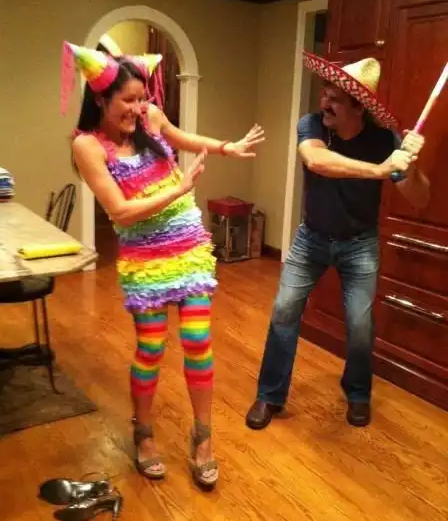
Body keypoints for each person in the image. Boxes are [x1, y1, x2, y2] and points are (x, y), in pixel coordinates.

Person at [62, 42, 265, 488]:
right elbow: (120, 212)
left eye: (142, 98)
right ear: (100, 99)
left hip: (189, 249)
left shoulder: (150, 118)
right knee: (151, 348)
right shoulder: (87, 146)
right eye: (128, 100)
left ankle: (203, 437)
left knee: (197, 341)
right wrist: (178, 189)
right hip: (146, 261)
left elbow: (184, 139)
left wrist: (226, 147)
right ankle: (145, 432)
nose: (139, 108)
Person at [246, 52, 429, 430]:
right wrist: (380, 170)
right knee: (283, 311)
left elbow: (420, 197)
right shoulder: (312, 124)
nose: (324, 103)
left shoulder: (384, 141)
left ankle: (358, 393)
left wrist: (410, 165)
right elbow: (317, 161)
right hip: (311, 237)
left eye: (335, 99)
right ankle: (270, 395)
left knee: (360, 326)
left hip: (359, 244)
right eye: (324, 93)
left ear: (358, 108)